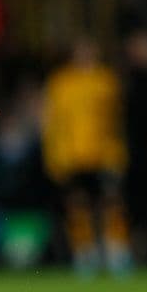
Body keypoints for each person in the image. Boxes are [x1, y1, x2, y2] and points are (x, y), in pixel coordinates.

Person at [41, 36, 131, 277]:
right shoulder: (61, 83)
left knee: (111, 203)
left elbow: (117, 121)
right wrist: (53, 156)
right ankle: (85, 253)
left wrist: (118, 152)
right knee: (77, 206)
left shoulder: (106, 81)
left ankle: (116, 251)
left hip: (104, 154)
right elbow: (52, 122)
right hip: (72, 156)